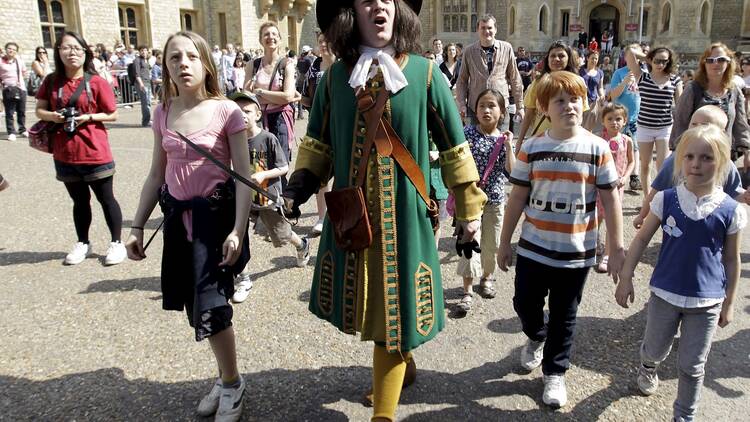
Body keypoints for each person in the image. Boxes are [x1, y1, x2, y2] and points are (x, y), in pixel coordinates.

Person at [282, 1, 485, 420]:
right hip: (354, 213)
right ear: (350, 15)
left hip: (407, 215)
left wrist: (468, 209)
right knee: (384, 310)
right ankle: (401, 369)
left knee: (393, 314)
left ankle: (384, 415)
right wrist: (299, 184)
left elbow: (454, 147)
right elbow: (317, 141)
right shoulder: (335, 77)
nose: (379, 4)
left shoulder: (426, 74)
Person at [125, 31, 252, 422]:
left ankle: (232, 385)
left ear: (205, 63)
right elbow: (154, 175)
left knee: (213, 307)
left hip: (215, 225)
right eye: (174, 57)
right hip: (179, 226)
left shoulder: (227, 111)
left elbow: (244, 176)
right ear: (165, 65)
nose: (183, 63)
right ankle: (225, 375)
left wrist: (237, 230)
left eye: (191, 56)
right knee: (194, 307)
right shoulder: (163, 112)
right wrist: (137, 227)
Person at [497, 71, 625, 408]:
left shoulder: (597, 148)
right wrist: (503, 241)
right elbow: (516, 199)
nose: (569, 106)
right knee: (524, 303)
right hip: (533, 249)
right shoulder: (533, 148)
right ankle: (535, 336)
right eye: (560, 100)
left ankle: (555, 371)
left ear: (584, 104)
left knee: (565, 315)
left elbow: (611, 200)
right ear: (544, 109)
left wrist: (616, 247)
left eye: (575, 99)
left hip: (576, 252)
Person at [615, 125, 745, 422]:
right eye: (690, 157)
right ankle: (648, 366)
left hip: (708, 301)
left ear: (723, 162)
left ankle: (684, 415)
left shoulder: (730, 210)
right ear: (679, 161)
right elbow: (641, 239)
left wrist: (730, 301)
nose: (697, 164)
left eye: (707, 157)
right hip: (665, 294)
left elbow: (731, 258)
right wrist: (626, 276)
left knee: (693, 365)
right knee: (655, 348)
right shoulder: (667, 199)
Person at [34, 31, 124, 266]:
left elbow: (112, 113)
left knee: (106, 199)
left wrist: (89, 116)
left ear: (85, 53)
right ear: (58, 52)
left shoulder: (96, 82)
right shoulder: (51, 81)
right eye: (66, 48)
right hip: (65, 152)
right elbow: (39, 110)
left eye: (77, 48)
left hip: (94, 150)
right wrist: (53, 116)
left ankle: (116, 242)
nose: (72, 52)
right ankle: (83, 242)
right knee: (79, 201)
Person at [228, 91, 310, 304]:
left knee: (282, 234)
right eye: (237, 111)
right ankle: (243, 278)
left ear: (257, 114)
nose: (241, 115)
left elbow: (283, 167)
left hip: (267, 199)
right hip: (242, 199)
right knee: (238, 235)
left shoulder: (268, 138)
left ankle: (301, 245)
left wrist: (264, 174)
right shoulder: (232, 139)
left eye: (246, 110)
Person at [633, 105, 749, 228]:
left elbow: (734, 191)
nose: (697, 129)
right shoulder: (675, 160)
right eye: (694, 124)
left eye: (705, 125)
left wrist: (745, 196)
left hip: (711, 225)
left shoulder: (726, 164)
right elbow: (656, 191)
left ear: (721, 133)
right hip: (677, 224)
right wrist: (642, 215)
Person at [455, 89, 514, 314]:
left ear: (501, 112)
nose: (486, 110)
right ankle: (467, 291)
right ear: (475, 110)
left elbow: (513, 172)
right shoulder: (466, 133)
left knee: (492, 244)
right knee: (470, 243)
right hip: (470, 201)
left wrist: (509, 146)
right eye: (481, 106)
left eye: (492, 106)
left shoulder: (503, 139)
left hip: (495, 200)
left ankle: (487, 278)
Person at [670, 43, 750, 170]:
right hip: (694, 156)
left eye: (721, 59)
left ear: (729, 62)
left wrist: (746, 151)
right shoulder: (693, 89)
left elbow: (740, 123)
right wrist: (680, 153)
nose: (715, 64)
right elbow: (681, 122)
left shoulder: (734, 91)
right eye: (710, 60)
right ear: (704, 64)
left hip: (723, 155)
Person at [625, 45, 683, 198]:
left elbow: (681, 105)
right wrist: (648, 58)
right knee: (645, 165)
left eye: (664, 61)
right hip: (644, 127)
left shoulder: (675, 79)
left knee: (663, 166)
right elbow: (629, 53)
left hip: (664, 127)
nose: (660, 64)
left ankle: (661, 198)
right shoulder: (642, 76)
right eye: (657, 61)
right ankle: (648, 198)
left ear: (669, 62)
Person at [456, 14, 524, 130]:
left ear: (495, 30)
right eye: (483, 28)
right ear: (477, 30)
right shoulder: (469, 51)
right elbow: (462, 80)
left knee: (501, 144)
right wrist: (462, 104)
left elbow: (515, 78)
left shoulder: (506, 48)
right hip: (476, 109)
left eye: (489, 28)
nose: (486, 31)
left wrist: (520, 106)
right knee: (476, 145)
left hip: (500, 108)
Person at [244, 22, 298, 163]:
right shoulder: (252, 65)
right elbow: (246, 99)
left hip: (280, 120)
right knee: (258, 164)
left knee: (280, 164)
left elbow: (288, 96)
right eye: (266, 34)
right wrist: (276, 97)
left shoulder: (287, 64)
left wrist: (259, 92)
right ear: (260, 40)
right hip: (259, 121)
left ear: (279, 39)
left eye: (274, 34)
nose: (270, 37)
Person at [516, 39, 584, 151]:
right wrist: (519, 141)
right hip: (540, 140)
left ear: (568, 58)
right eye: (552, 56)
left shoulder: (578, 83)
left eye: (561, 56)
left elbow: (581, 116)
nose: (556, 59)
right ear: (547, 59)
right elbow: (528, 114)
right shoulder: (538, 83)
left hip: (568, 142)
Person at [301, 32, 336, 235]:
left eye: (327, 40)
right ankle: (322, 217)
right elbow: (305, 96)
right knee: (320, 174)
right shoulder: (314, 67)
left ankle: (341, 213)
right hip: (318, 129)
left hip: (339, 126)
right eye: (320, 41)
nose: (323, 44)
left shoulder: (343, 65)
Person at [595, 103, 635, 273]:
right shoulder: (597, 139)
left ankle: (607, 254)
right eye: (610, 119)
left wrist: (625, 177)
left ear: (625, 120)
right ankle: (594, 243)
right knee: (596, 217)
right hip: (597, 186)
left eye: (618, 119)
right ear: (603, 121)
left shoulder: (627, 141)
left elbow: (631, 161)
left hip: (616, 187)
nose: (614, 122)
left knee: (612, 218)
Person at [608, 43, 643, 190]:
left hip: (636, 118)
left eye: (637, 55)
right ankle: (612, 173)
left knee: (634, 147)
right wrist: (624, 82)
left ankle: (634, 177)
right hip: (620, 118)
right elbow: (613, 95)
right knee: (615, 146)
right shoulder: (619, 73)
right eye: (631, 56)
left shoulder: (644, 74)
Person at [0, 42, 28, 141]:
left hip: (20, 88)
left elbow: (24, 72)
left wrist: (19, 81)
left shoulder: (19, 61)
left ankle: (22, 129)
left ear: (16, 51)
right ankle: (11, 132)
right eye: (9, 48)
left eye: (13, 49)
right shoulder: (0, 61)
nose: (11, 50)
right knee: (9, 112)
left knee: (21, 110)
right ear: (6, 49)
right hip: (8, 89)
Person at [579, 51, 605, 131]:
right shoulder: (579, 70)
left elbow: (600, 87)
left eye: (596, 59)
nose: (594, 60)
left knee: (590, 126)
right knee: (579, 124)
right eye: (592, 58)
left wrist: (602, 95)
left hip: (593, 102)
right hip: (581, 101)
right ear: (587, 58)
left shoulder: (600, 73)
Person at [134, 45, 152, 127]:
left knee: (148, 102)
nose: (144, 52)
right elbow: (137, 73)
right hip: (142, 83)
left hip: (148, 83)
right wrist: (141, 84)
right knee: (145, 103)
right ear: (139, 51)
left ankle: (148, 119)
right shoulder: (137, 60)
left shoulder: (146, 60)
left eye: (145, 50)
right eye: (142, 50)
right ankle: (145, 121)